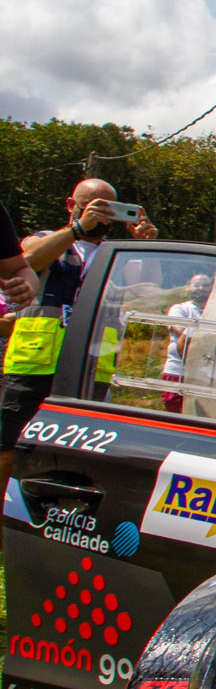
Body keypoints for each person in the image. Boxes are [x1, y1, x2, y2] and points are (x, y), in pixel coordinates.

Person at [1, 180, 158, 485]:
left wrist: (147, 246)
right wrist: (76, 230)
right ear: (71, 205)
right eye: (92, 207)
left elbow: (150, 293)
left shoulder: (121, 255)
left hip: (91, 367)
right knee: (9, 445)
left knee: (78, 452)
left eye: (108, 209)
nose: (101, 216)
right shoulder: (47, 239)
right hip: (33, 363)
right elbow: (26, 261)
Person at [159, 272, 213, 414]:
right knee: (175, 415)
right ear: (189, 288)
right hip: (177, 373)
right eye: (197, 285)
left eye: (206, 285)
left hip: (205, 377)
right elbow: (181, 331)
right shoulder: (179, 309)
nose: (201, 288)